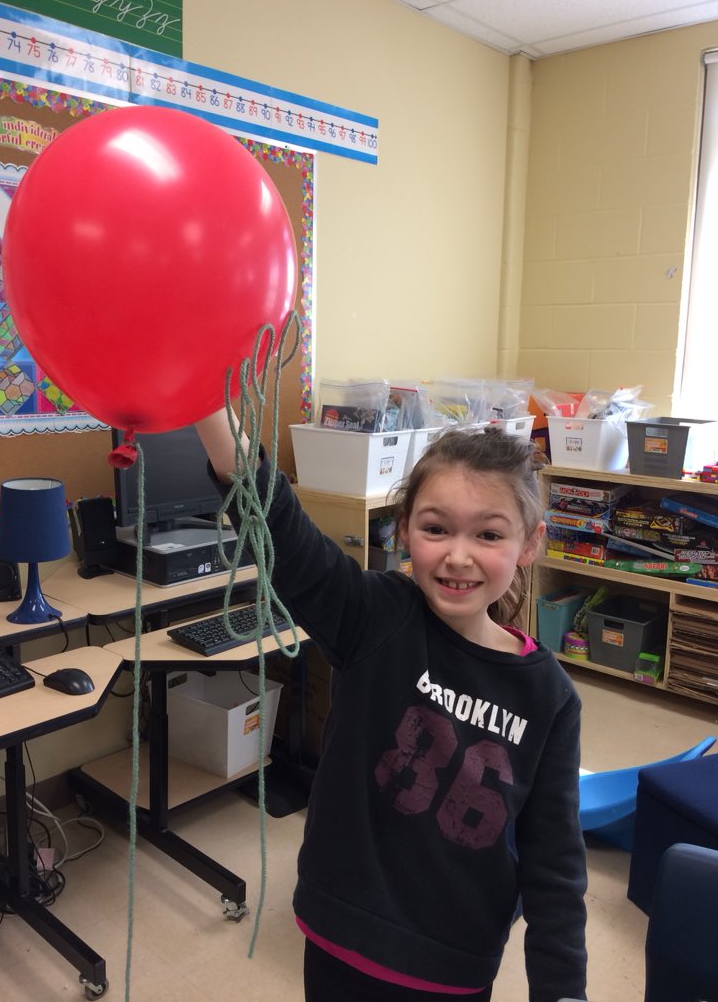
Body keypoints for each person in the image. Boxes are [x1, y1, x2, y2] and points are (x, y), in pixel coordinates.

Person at [196, 411, 588, 1002]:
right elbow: (279, 526)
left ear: (529, 543)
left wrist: (563, 991)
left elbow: (554, 866)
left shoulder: (550, 697)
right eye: (436, 529)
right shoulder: (376, 617)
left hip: (452, 965)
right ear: (404, 531)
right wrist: (203, 404)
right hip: (340, 935)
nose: (458, 556)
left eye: (488, 535)